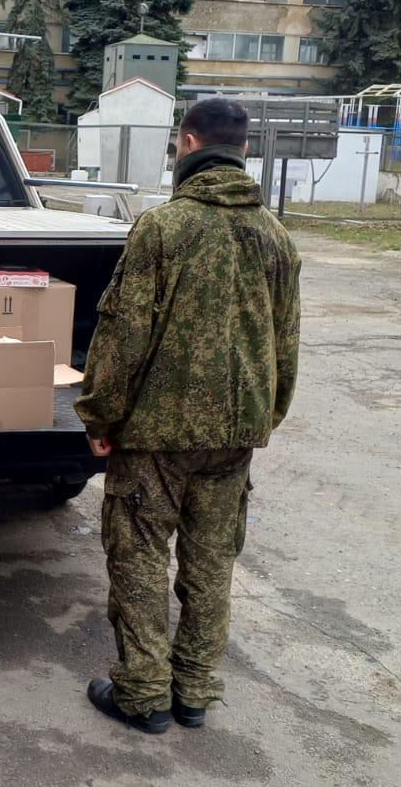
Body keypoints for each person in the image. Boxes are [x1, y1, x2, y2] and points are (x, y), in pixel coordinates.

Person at [76, 95, 301, 735]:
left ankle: (144, 694)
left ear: (188, 144)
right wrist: (264, 418)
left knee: (140, 555)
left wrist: (100, 418)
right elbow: (286, 343)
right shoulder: (276, 238)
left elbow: (121, 336)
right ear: (245, 151)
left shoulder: (163, 229)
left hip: (156, 438)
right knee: (210, 564)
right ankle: (195, 690)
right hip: (236, 437)